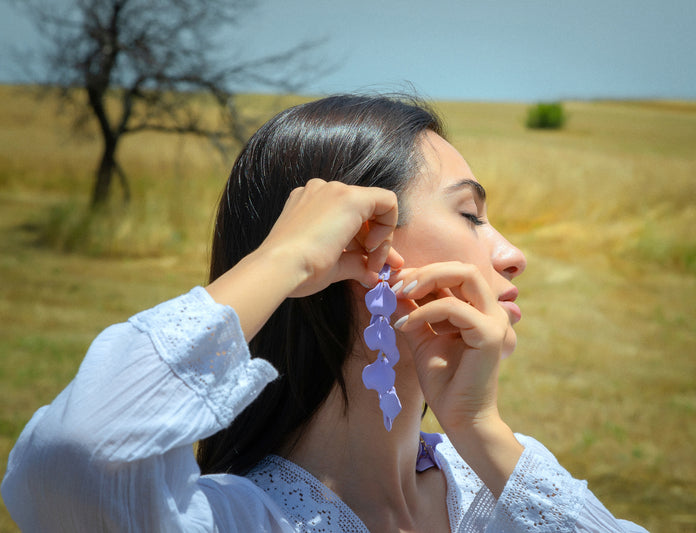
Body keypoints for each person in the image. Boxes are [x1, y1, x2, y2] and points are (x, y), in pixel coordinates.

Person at [2, 95, 647, 532]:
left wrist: (480, 427)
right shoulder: (235, 518)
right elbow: (77, 457)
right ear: (362, 247)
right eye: (470, 215)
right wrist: (282, 262)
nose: (513, 255)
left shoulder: (499, 480)